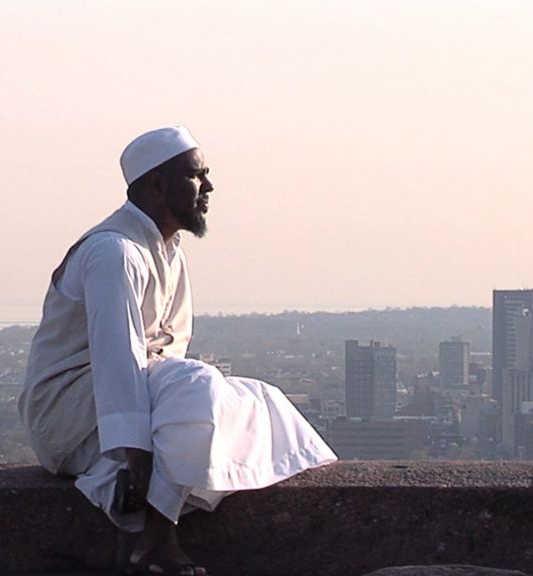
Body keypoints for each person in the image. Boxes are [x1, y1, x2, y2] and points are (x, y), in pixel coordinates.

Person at [19, 126, 337, 576]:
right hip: (68, 414)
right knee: (198, 384)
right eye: (196, 176)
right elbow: (118, 355)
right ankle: (156, 535)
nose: (208, 188)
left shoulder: (169, 252)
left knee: (258, 399)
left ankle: (157, 498)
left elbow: (166, 354)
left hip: (128, 400)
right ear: (156, 184)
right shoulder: (115, 251)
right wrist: (135, 452)